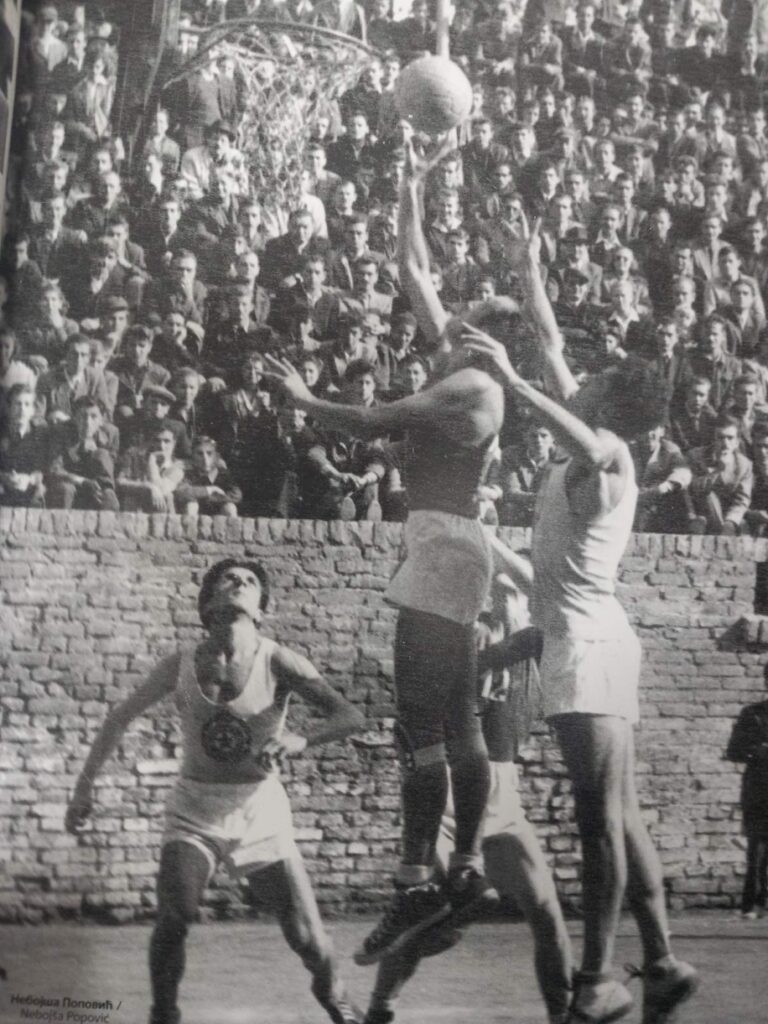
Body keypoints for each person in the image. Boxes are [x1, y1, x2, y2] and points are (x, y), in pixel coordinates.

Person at [265, 137, 512, 964]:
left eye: (468, 314)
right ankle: (465, 869)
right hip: (454, 544)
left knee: (422, 725)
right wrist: (412, 184)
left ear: (482, 337)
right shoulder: (465, 364)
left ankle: (416, 879)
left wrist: (304, 399)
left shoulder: (472, 384)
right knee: (459, 719)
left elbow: (375, 418)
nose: (450, 313)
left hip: (441, 544)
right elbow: (412, 267)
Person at [458, 219, 699, 1024]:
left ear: (609, 405)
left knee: (598, 823)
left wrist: (509, 378)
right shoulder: (589, 438)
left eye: (593, 382)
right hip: (587, 638)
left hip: (588, 649)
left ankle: (596, 981)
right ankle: (661, 962)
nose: (579, 378)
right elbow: (554, 341)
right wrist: (530, 269)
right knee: (619, 816)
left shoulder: (609, 457)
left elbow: (581, 435)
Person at [65, 557, 365, 1024]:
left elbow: (350, 716)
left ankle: (337, 998)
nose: (240, 583)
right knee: (175, 916)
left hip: (259, 808)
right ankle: (164, 1013)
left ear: (261, 609)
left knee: (308, 939)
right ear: (207, 605)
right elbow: (119, 717)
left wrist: (300, 740)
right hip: (195, 807)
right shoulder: (180, 664)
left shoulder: (279, 661)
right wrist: (83, 788)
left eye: (250, 581)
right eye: (229, 579)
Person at [363, 574, 573, 1024]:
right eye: (494, 590)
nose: (499, 599)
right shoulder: (462, 637)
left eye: (508, 593)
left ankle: (564, 1014)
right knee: (430, 918)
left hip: (504, 791)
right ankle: (379, 1009)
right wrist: (507, 644)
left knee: (546, 911)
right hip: (452, 793)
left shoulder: (532, 647)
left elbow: (546, 632)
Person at [726, 661, 768, 919]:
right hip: (760, 787)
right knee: (758, 847)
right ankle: (753, 904)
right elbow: (734, 751)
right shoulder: (752, 714)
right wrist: (758, 751)